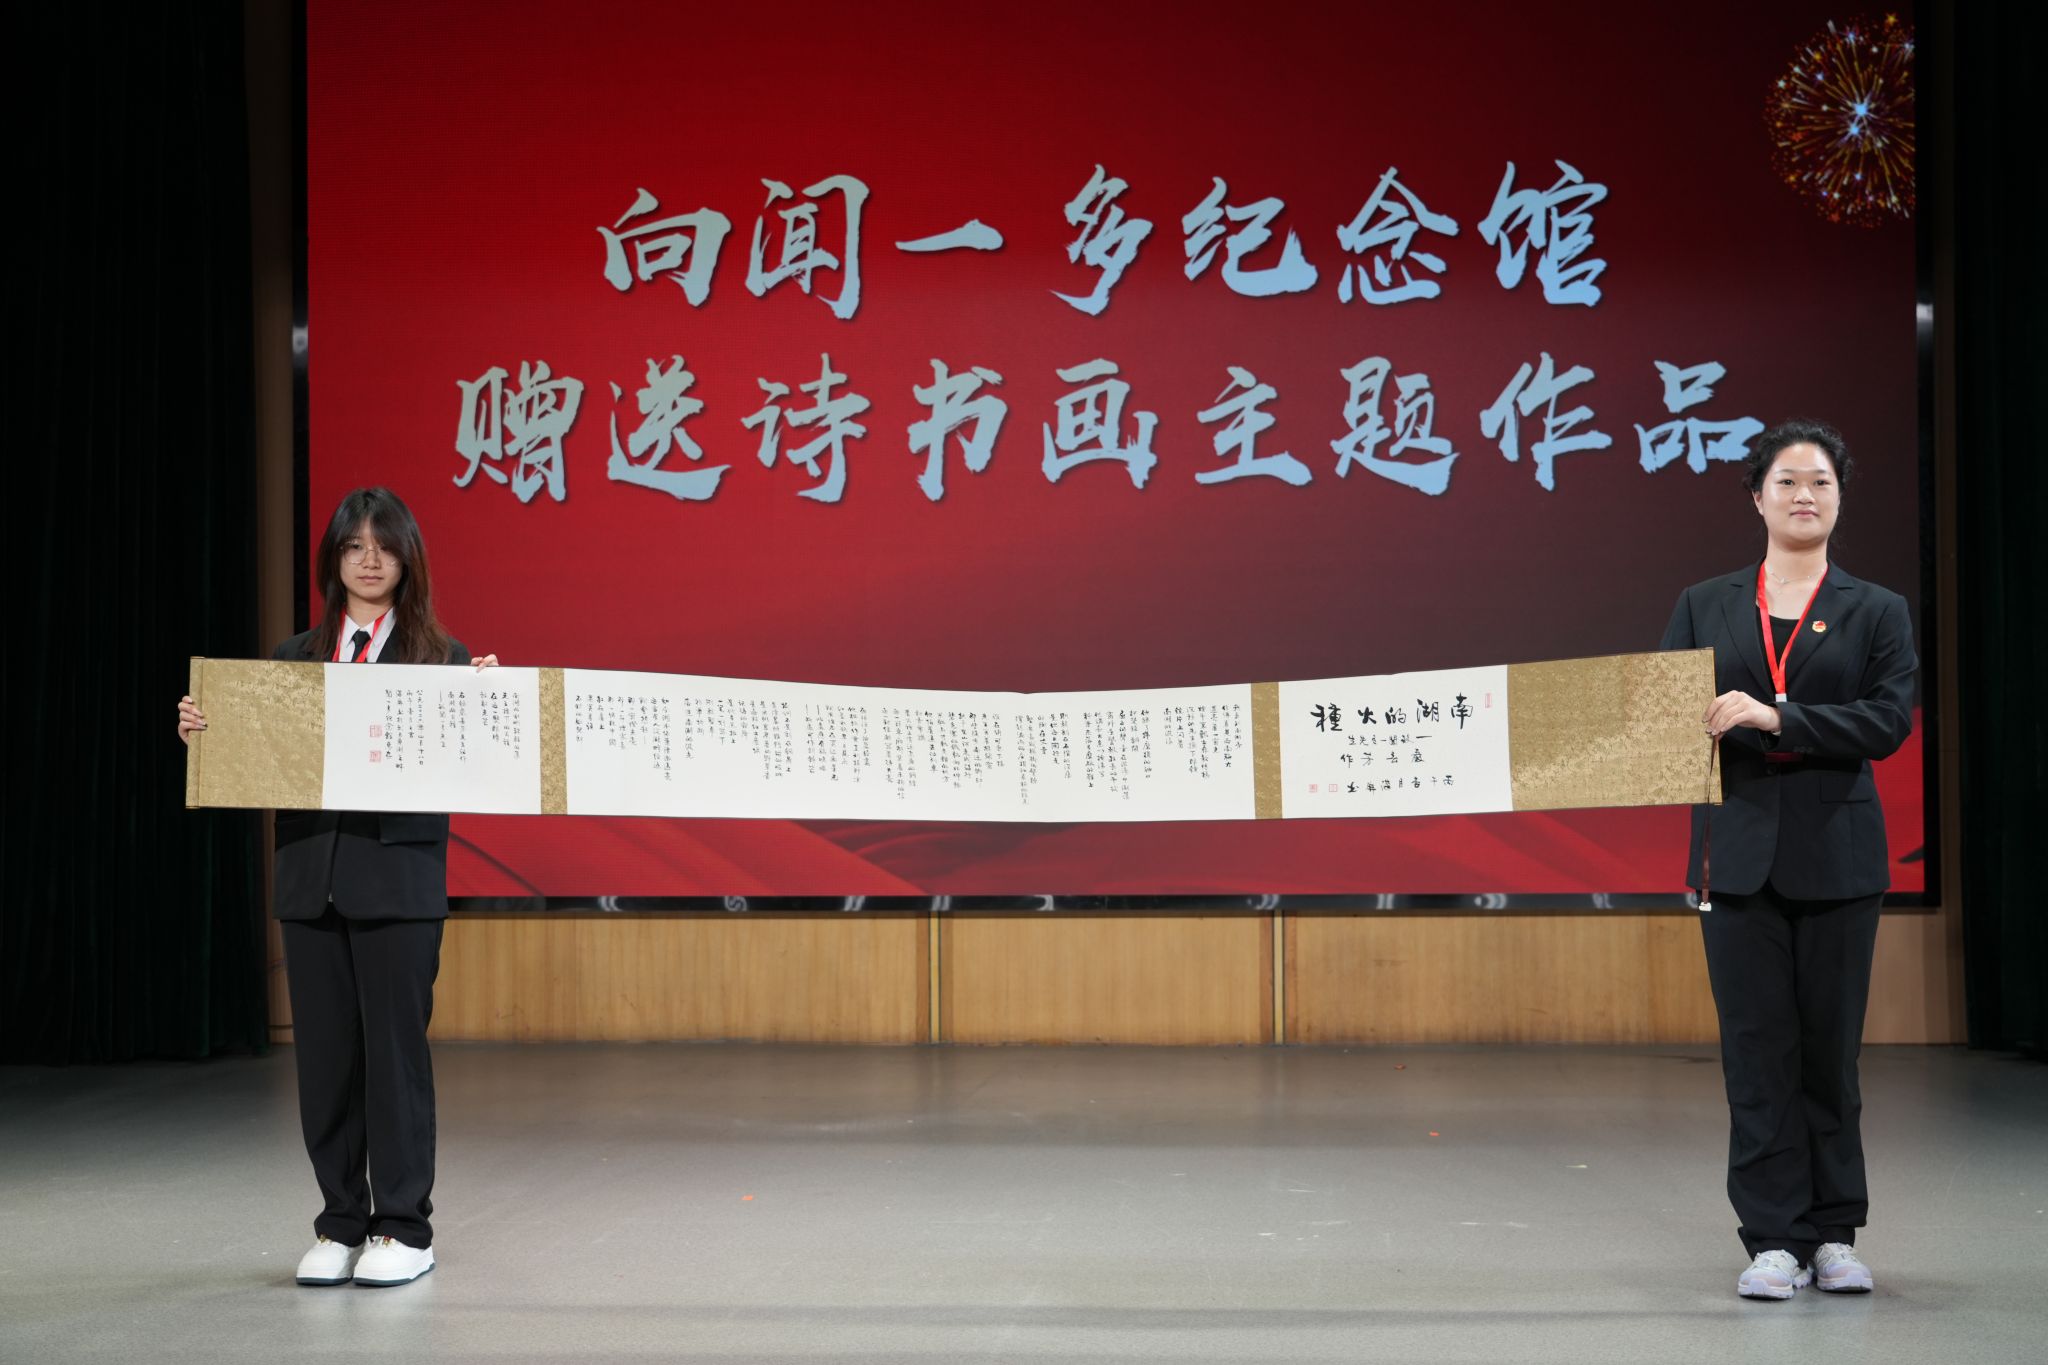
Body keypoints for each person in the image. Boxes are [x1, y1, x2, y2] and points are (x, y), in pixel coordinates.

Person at [179, 487, 496, 1288]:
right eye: (354, 546)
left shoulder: (445, 662)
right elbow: (254, 758)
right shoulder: (293, 658)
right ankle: (340, 1223)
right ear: (333, 560)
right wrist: (209, 729)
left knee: (394, 1058)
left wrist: (489, 705)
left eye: (384, 545)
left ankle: (404, 1228)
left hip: (398, 881)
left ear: (407, 558)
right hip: (310, 879)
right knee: (324, 1063)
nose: (369, 559)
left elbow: (476, 761)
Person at [1659, 420, 1916, 1300]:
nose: (1805, 495)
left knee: (1830, 1056)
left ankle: (1835, 1233)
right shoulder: (1705, 602)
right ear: (1757, 496)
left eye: (1821, 482)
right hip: (1736, 858)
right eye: (1787, 481)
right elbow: (1661, 717)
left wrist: (1778, 716)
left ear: (1839, 498)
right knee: (1754, 1055)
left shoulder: (1877, 608)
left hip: (1839, 857)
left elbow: (1887, 720)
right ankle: (1772, 1238)